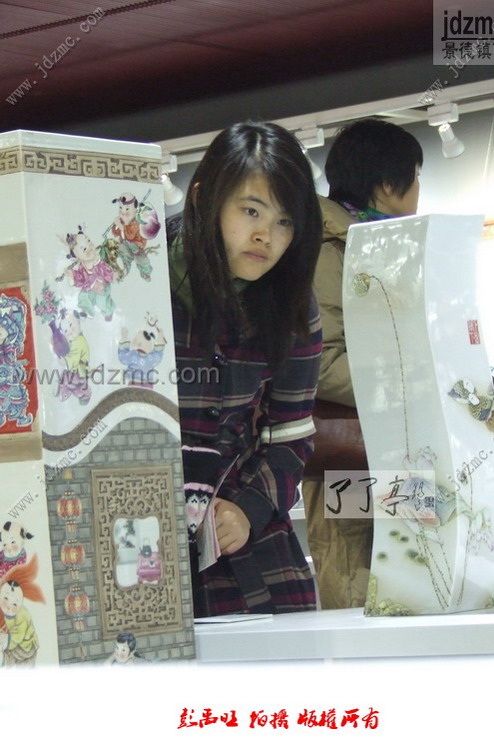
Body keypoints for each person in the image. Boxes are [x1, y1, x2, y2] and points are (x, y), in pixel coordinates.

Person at [167, 121, 323, 616]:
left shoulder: (292, 304)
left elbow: (291, 434)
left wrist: (247, 509)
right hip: (137, 538)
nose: (265, 237)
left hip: (242, 540)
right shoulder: (135, 280)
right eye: (251, 210)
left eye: (284, 221)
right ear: (203, 199)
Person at [302, 118, 423, 610]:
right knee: (357, 582)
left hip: (397, 448)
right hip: (349, 453)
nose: (418, 191)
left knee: (416, 576)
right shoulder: (326, 249)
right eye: (415, 177)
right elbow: (321, 363)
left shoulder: (372, 246)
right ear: (389, 184)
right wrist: (414, 385)